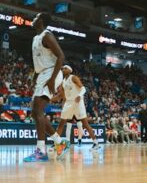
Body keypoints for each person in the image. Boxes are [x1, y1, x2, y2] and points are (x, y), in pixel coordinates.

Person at [24, 13, 64, 162]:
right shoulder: (36, 38)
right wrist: (36, 77)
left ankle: (41, 151)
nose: (32, 18)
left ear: (40, 21)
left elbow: (61, 56)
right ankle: (60, 143)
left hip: (51, 72)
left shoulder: (47, 35)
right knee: (35, 113)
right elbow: (40, 62)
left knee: (37, 110)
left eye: (35, 17)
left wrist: (53, 79)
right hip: (43, 74)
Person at [48, 65, 101, 154]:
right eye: (62, 69)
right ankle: (56, 143)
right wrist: (50, 99)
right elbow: (61, 95)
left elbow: (83, 88)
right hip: (68, 103)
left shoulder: (73, 78)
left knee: (85, 124)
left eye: (65, 68)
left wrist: (79, 96)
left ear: (69, 70)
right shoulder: (63, 81)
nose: (63, 70)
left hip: (77, 102)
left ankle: (96, 143)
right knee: (61, 124)